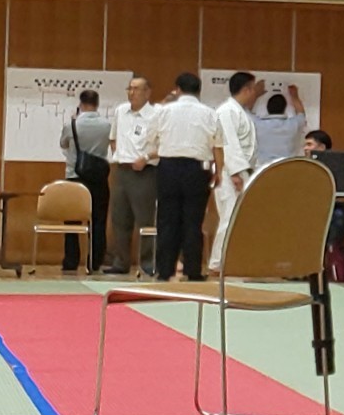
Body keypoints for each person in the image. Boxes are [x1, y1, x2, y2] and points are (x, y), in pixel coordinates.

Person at [144, 73, 223, 282]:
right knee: (193, 220)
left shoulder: (163, 111)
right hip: (197, 169)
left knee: (167, 219)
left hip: (168, 167)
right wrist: (219, 171)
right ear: (199, 91)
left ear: (177, 89)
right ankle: (193, 270)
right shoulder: (210, 113)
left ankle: (165, 270)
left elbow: (150, 138)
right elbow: (217, 146)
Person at [103, 75, 158, 275]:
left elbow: (163, 145)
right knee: (119, 219)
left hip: (145, 172)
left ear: (147, 93)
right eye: (130, 88)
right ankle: (121, 261)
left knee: (145, 219)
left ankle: (148, 262)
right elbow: (113, 138)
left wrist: (146, 157)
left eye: (136, 89)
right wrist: (120, 155)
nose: (132, 93)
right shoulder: (121, 111)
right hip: (122, 170)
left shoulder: (156, 114)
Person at [209, 72, 260, 277]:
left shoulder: (237, 111)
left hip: (238, 171)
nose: (255, 93)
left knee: (236, 219)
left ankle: (230, 261)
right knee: (229, 217)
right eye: (254, 89)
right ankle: (217, 263)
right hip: (229, 173)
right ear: (247, 89)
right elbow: (227, 144)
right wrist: (236, 173)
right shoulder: (227, 111)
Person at [59, 90, 112, 273]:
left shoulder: (71, 124)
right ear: (97, 104)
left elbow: (63, 144)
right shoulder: (107, 125)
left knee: (72, 221)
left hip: (75, 177)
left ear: (81, 104)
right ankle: (94, 262)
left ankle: (71, 260)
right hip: (98, 178)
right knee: (98, 220)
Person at [253, 86, 307, 165]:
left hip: (263, 169)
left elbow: (244, 111)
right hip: (287, 167)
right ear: (284, 108)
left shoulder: (257, 124)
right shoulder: (293, 124)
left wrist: (256, 94)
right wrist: (294, 96)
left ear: (267, 108)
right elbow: (301, 114)